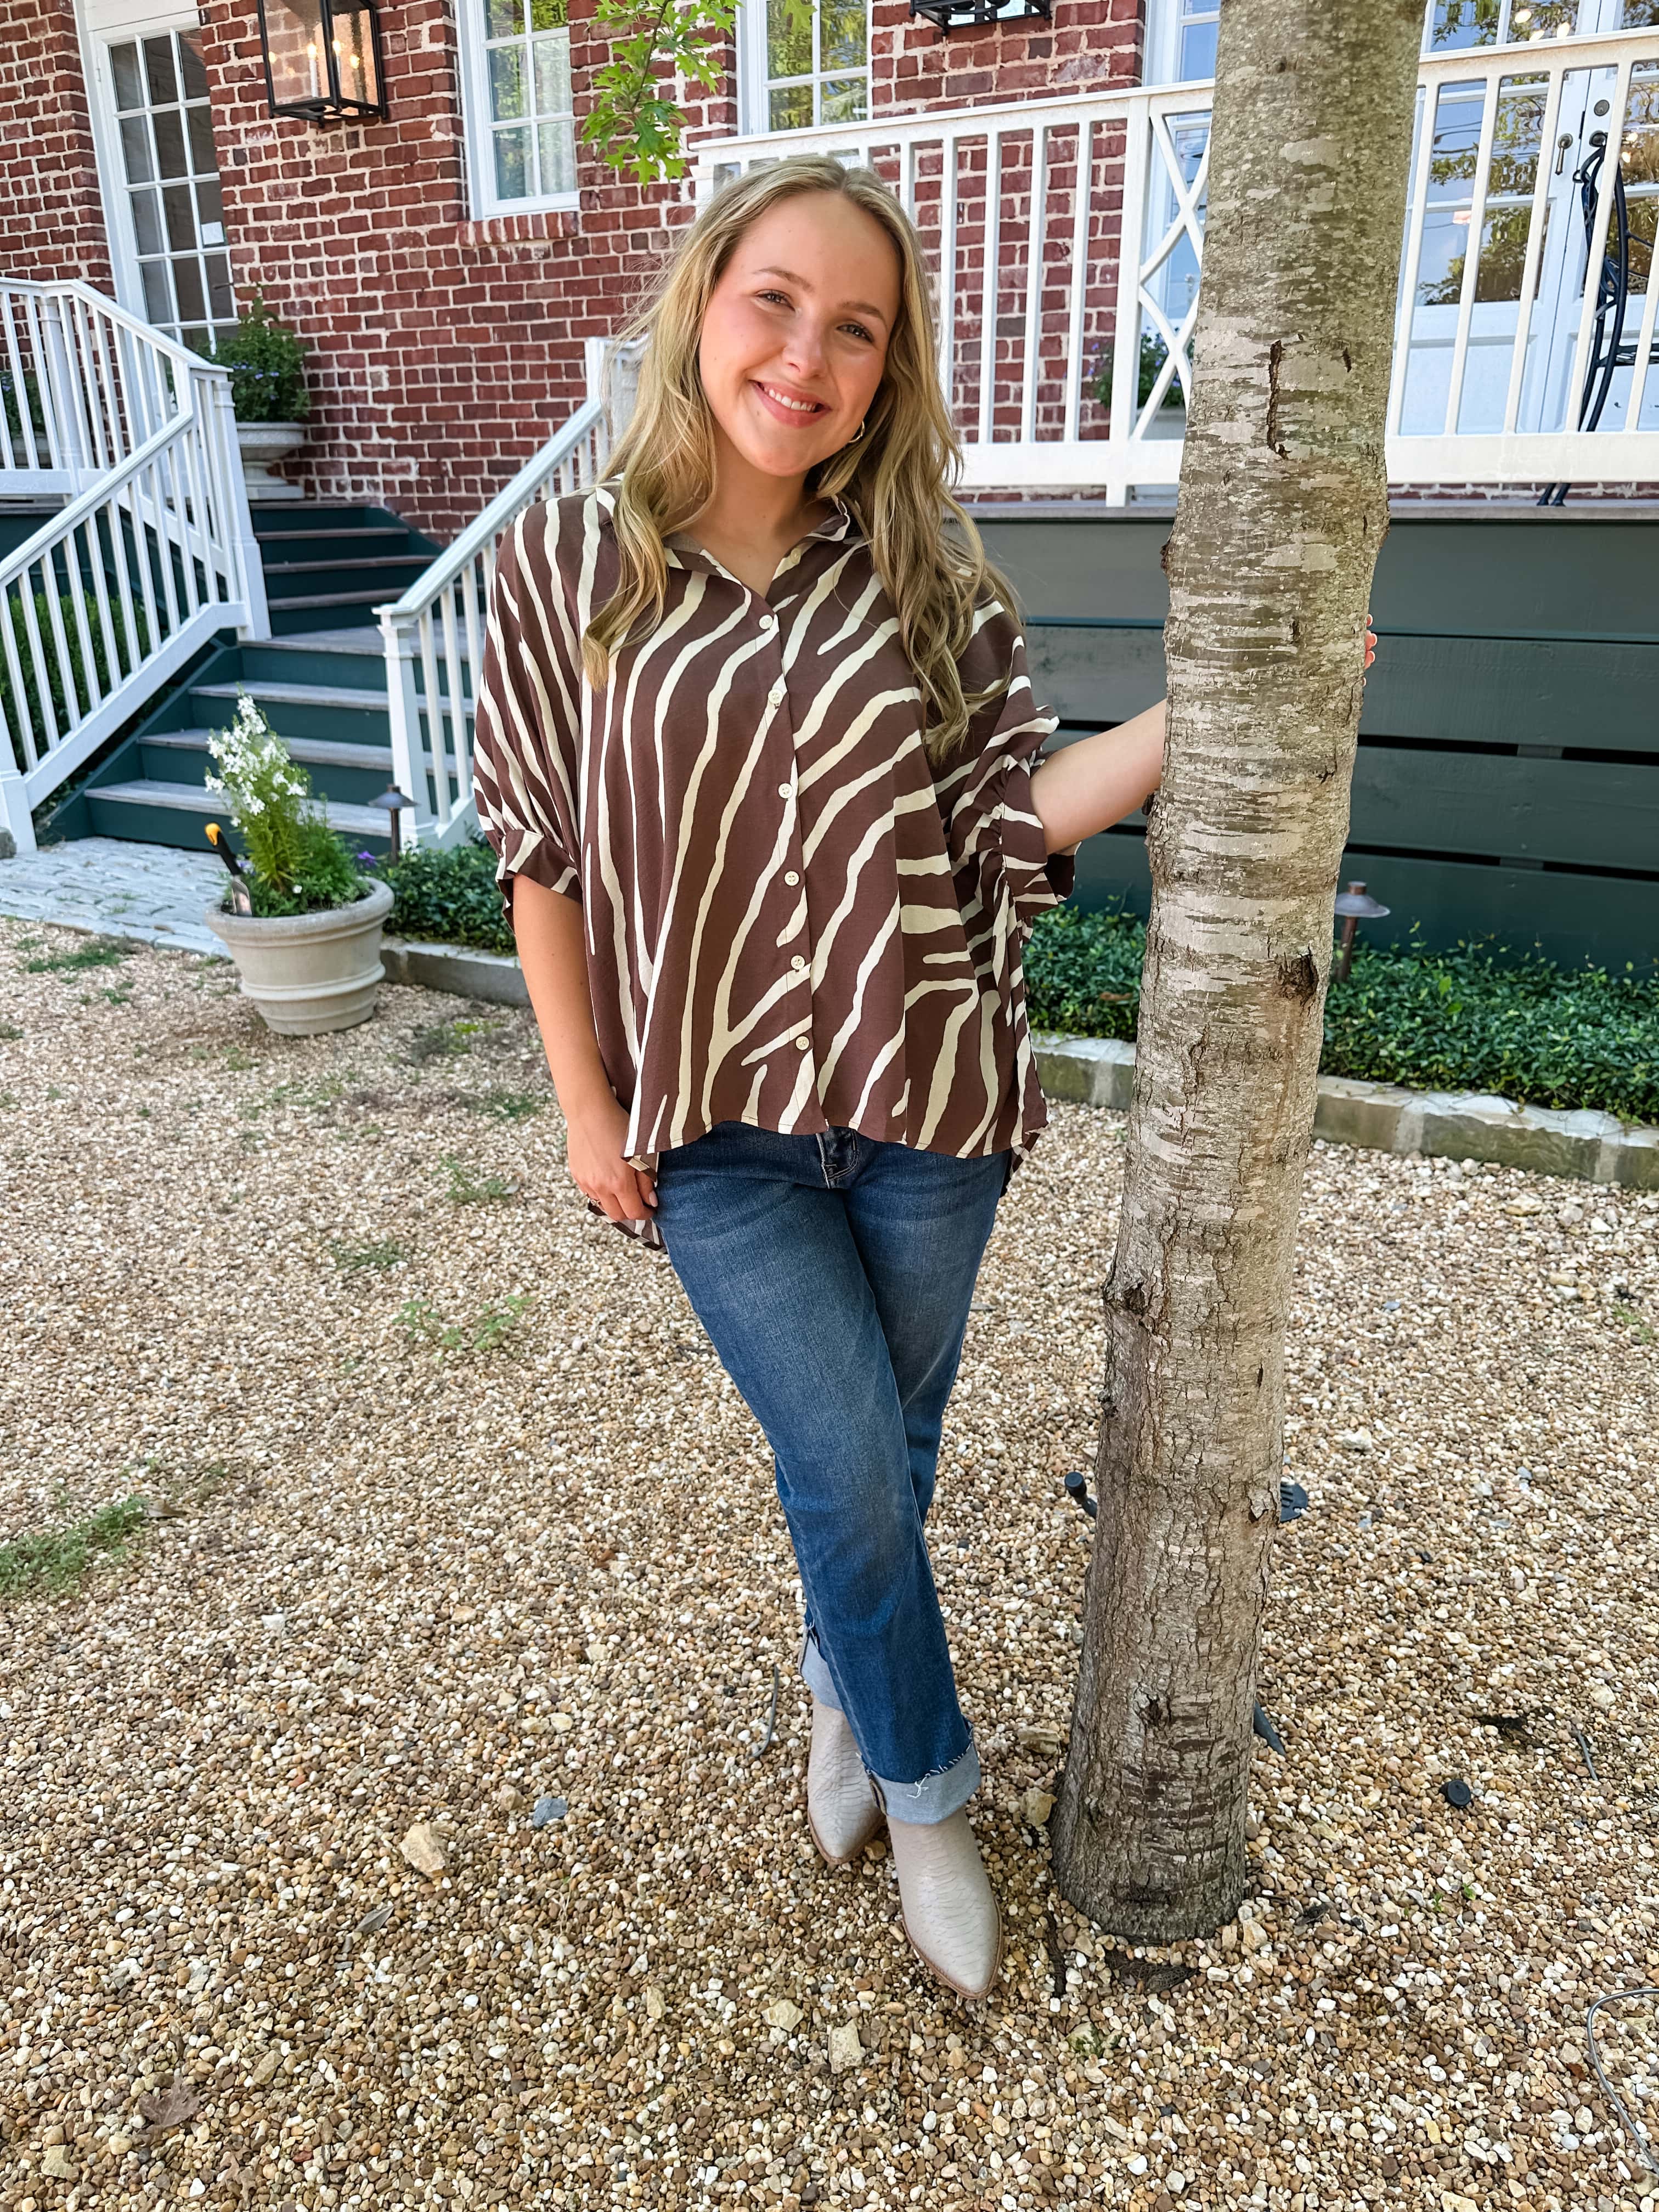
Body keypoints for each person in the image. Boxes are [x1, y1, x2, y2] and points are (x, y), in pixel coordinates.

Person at [471, 155, 1372, 2001]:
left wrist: (1217, 716)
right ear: (702, 306)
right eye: (773, 301)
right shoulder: (568, 570)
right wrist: (581, 1103)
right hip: (712, 1123)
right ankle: (935, 1798)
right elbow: (539, 861)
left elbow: (1007, 821)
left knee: (889, 1456)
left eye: (855, 328)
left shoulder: (926, 577)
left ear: (888, 372)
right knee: (852, 1472)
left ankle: (843, 1709)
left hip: (926, 1102)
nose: (805, 353)